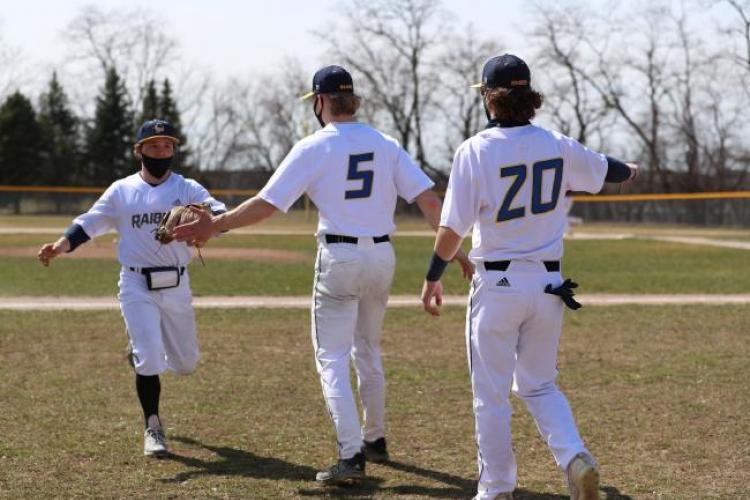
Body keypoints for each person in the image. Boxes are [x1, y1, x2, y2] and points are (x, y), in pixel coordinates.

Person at [171, 65, 473, 485]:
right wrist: (453, 250)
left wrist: (216, 224)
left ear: (320, 102)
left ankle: (351, 456)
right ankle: (376, 437)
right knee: (367, 348)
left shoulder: (315, 146)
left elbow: (268, 204)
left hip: (341, 257)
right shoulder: (385, 144)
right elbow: (427, 200)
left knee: (331, 357)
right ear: (353, 101)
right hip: (382, 256)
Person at [420, 54, 638, 500]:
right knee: (538, 384)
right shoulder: (555, 143)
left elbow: (450, 229)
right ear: (529, 97)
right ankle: (575, 458)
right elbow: (608, 170)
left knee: (492, 395)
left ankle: (497, 488)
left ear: (489, 98)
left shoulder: (475, 150)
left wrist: (433, 274)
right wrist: (630, 171)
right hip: (548, 286)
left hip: (498, 285)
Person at [37, 119, 226, 457]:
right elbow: (88, 224)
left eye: (167, 146)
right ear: (139, 151)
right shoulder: (122, 191)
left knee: (185, 364)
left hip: (177, 282)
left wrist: (207, 222)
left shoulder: (187, 188)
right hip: (136, 282)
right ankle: (153, 427)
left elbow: (220, 214)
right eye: (153, 146)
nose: (161, 152)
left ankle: (141, 353)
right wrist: (60, 245)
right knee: (151, 357)